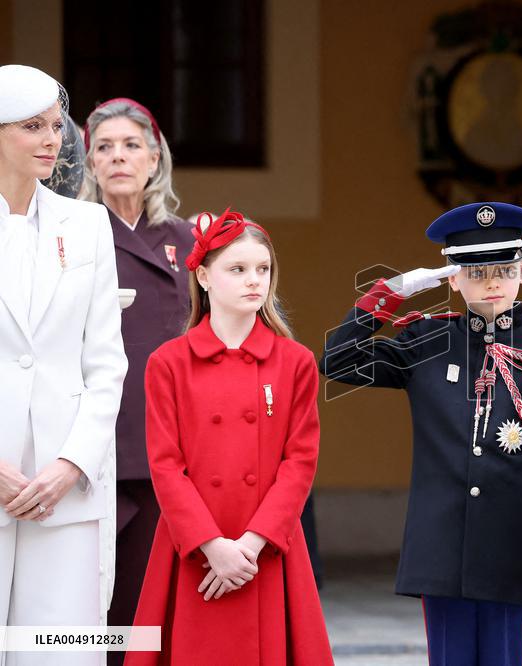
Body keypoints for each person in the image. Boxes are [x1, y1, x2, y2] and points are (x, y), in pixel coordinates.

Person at [322, 202, 522, 666]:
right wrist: (390, 294)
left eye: (505, 268)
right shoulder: (427, 341)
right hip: (442, 554)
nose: (492, 282)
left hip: (512, 559)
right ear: (453, 278)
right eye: (477, 270)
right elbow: (338, 360)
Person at [126, 210, 332, 665]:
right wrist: (212, 545)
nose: (253, 281)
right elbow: (164, 464)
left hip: (268, 549)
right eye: (237, 269)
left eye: (263, 269)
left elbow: (300, 463)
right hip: (193, 548)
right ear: (203, 275)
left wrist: (251, 546)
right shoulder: (169, 362)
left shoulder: (294, 361)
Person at [0, 65, 127, 664]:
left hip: (64, 487)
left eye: (56, 125)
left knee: (60, 653)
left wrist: (71, 463)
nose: (53, 139)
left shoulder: (88, 225)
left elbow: (107, 364)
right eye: (32, 126)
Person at [80, 98, 194, 653]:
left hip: (171, 446)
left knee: (159, 604)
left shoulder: (192, 241)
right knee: (95, 609)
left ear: (154, 158)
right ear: (89, 162)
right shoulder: (73, 236)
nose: (118, 157)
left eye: (131, 145)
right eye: (104, 147)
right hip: (95, 445)